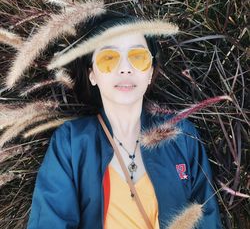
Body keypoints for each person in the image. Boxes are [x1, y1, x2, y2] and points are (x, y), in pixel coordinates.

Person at [27, 12, 222, 229]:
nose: (125, 68)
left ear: (150, 72)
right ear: (92, 74)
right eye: (109, 58)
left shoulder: (180, 134)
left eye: (137, 57)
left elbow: (207, 218)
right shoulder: (71, 142)